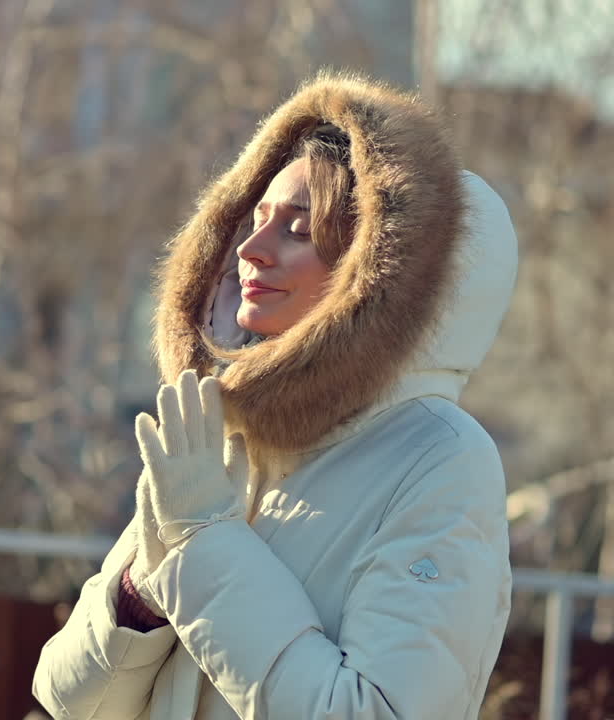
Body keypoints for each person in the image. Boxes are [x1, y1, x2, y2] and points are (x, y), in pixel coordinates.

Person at [32, 72, 518, 719]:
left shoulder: (440, 458)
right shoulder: (224, 439)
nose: (250, 252)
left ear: (383, 271)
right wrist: (139, 593)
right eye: (255, 221)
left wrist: (204, 540)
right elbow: (71, 703)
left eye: (295, 228)